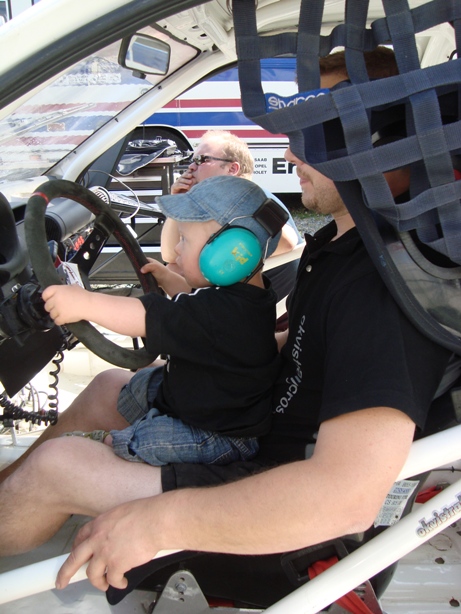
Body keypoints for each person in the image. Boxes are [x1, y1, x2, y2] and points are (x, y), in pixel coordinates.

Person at [0, 47, 451, 593]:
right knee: (108, 388)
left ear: (383, 142)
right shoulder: (339, 246)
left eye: (317, 130)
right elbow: (299, 348)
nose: (292, 149)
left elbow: (345, 498)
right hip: (256, 431)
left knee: (59, 466)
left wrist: (161, 521)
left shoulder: (383, 289)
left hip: (272, 498)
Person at [42, 175, 283, 467]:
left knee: (148, 439)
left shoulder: (220, 314)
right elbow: (196, 307)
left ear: (227, 254)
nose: (177, 249)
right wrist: (169, 278)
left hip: (216, 436)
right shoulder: (247, 297)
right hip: (200, 399)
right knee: (144, 382)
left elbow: (145, 317)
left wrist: (84, 303)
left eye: (185, 239)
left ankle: (111, 443)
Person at [162, 129, 303, 303]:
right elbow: (169, 255)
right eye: (192, 161)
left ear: (232, 169)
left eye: (201, 160)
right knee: (174, 268)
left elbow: (288, 241)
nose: (191, 167)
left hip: (270, 300)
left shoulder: (247, 200)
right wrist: (179, 202)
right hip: (248, 295)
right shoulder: (217, 203)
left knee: (176, 272)